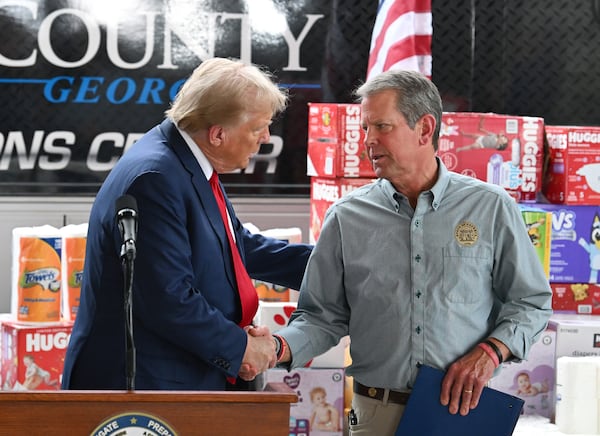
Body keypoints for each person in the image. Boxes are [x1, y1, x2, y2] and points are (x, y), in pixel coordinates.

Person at [269, 70, 552, 435]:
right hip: (374, 415)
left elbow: (531, 303)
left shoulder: (491, 207)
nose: (369, 140)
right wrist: (276, 348)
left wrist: (491, 352)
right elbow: (320, 317)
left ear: (424, 128)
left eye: (382, 127)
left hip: (462, 413)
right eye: (366, 128)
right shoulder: (346, 217)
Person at [61, 57, 312, 391]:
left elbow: (237, 248)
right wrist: (241, 349)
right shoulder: (155, 178)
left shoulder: (186, 160)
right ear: (218, 133)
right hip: (145, 388)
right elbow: (169, 299)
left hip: (178, 377)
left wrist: (333, 267)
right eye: (257, 128)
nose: (265, 138)